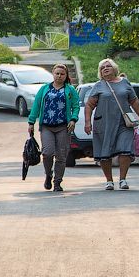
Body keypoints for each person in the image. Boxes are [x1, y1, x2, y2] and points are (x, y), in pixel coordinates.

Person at [84, 58, 139, 191]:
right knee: (104, 151)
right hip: (104, 124)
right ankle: (109, 181)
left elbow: (134, 100)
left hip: (124, 123)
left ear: (115, 69)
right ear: (100, 72)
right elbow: (89, 105)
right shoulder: (99, 86)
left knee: (125, 149)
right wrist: (87, 122)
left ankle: (123, 179)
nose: (105, 68)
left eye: (108, 66)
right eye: (102, 68)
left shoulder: (124, 83)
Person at [27, 64, 80, 192]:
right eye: (57, 73)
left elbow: (76, 106)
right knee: (47, 153)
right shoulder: (45, 89)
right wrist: (31, 122)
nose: (59, 76)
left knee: (61, 156)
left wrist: (73, 119)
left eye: (62, 74)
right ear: (53, 74)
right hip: (46, 126)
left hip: (63, 127)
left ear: (66, 75)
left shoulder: (70, 90)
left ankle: (57, 182)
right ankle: (48, 174)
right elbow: (37, 105)